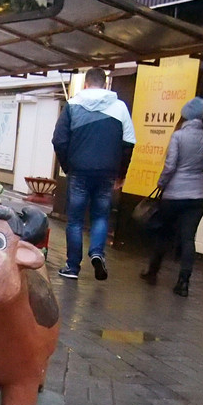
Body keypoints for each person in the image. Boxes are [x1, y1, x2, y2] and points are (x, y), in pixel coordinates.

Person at [51, 67, 136, 280]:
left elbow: (59, 140)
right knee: (100, 215)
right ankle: (97, 253)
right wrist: (121, 174)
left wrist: (68, 165)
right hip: (107, 172)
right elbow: (129, 143)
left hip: (79, 170)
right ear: (105, 84)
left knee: (75, 220)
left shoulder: (72, 105)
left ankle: (72, 267)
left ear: (85, 83)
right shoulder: (120, 107)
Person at [140, 96, 203, 297]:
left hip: (174, 196)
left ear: (185, 116)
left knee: (164, 234)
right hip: (197, 198)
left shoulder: (178, 136)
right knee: (188, 238)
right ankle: (183, 282)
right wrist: (200, 183)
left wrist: (162, 183)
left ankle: (152, 272)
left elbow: (170, 166)